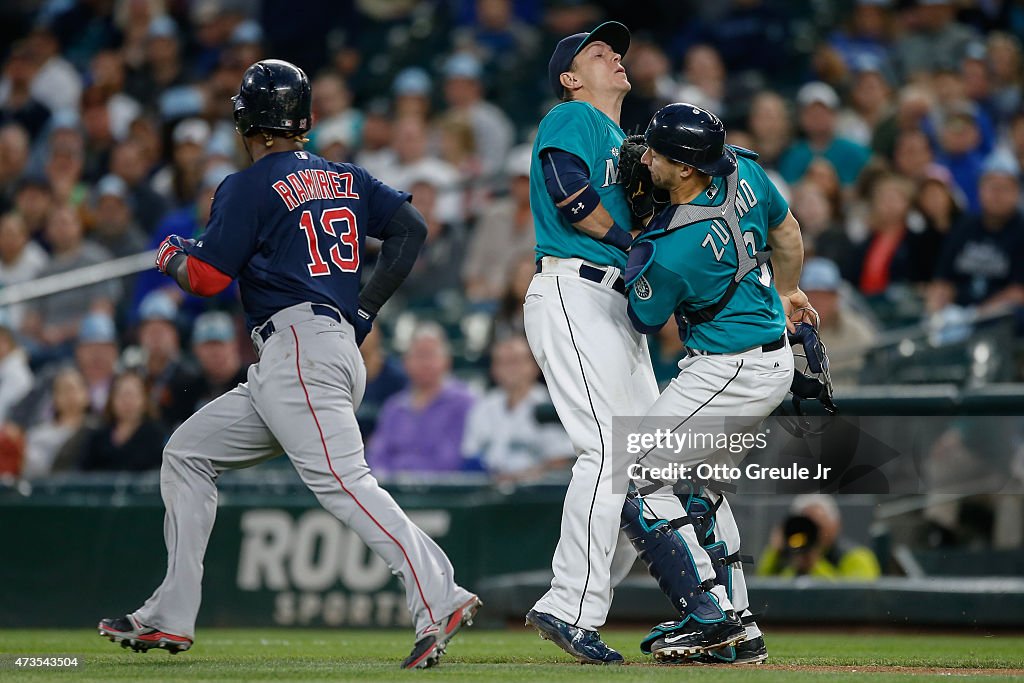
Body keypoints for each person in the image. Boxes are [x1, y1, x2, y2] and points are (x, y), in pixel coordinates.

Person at [97, 60, 479, 670]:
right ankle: (171, 614)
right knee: (188, 452)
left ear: (246, 119)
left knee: (343, 482)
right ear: (303, 119)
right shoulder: (341, 175)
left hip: (299, 349)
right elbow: (411, 227)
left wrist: (172, 254)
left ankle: (438, 595)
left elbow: (206, 276)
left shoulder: (245, 185)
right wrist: (365, 312)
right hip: (312, 353)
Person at [616, 102, 809, 664]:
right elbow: (788, 231)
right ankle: (740, 625)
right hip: (765, 355)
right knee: (698, 488)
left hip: (730, 366)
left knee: (638, 477)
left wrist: (636, 247)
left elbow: (645, 319)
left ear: (687, 169)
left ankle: (710, 616)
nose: (645, 158)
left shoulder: (673, 245)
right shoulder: (746, 170)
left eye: (657, 154)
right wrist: (790, 290)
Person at [522, 22, 661, 665]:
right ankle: (568, 604)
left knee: (653, 463)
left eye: (618, 52)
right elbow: (571, 197)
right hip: (574, 289)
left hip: (617, 304)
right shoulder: (571, 115)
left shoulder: (628, 143)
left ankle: (588, 601)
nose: (616, 58)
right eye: (599, 53)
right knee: (608, 448)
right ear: (572, 77)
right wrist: (632, 244)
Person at [365, 323, 476, 475]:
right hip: (393, 491)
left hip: (443, 492)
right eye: (418, 355)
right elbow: (377, 455)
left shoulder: (464, 402)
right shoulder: (394, 406)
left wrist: (402, 471)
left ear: (447, 361)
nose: (424, 363)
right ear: (406, 362)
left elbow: (450, 460)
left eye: (430, 355)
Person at [461, 335, 572, 483]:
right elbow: (469, 456)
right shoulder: (482, 407)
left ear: (534, 366)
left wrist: (520, 477)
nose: (510, 369)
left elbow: (562, 460)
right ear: (494, 369)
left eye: (516, 361)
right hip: (486, 494)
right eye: (502, 362)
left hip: (534, 495)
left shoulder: (551, 405)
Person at [757, 494, 881, 580]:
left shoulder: (857, 557)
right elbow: (763, 592)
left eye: (818, 525)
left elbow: (854, 600)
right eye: (806, 526)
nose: (812, 532)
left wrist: (814, 565)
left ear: (835, 525)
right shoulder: (787, 558)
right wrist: (774, 552)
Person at [77, 369, 167, 472]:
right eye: (122, 395)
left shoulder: (157, 434)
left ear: (144, 399)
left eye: (132, 395)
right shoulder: (97, 437)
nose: (127, 401)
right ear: (112, 399)